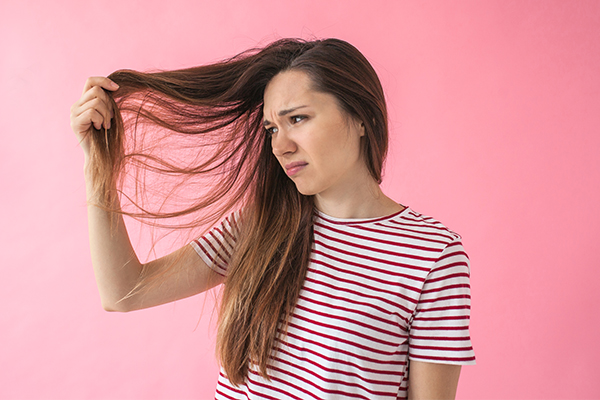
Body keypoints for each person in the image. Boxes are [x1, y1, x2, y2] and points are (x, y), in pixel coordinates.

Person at [70, 38, 475, 399]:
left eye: (297, 119)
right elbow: (124, 292)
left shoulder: (432, 255)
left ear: (360, 117)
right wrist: (98, 164)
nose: (280, 145)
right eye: (270, 128)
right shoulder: (259, 227)